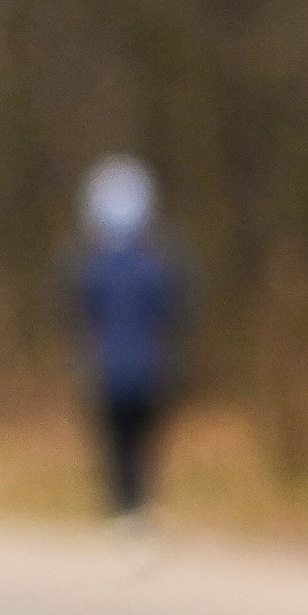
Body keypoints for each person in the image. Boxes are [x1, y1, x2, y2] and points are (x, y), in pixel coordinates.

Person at [69, 156, 189, 517]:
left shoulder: (93, 267)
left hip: (111, 369)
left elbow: (80, 314)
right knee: (140, 442)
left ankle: (125, 509)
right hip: (148, 368)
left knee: (117, 442)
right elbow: (171, 311)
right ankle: (137, 506)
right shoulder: (155, 264)